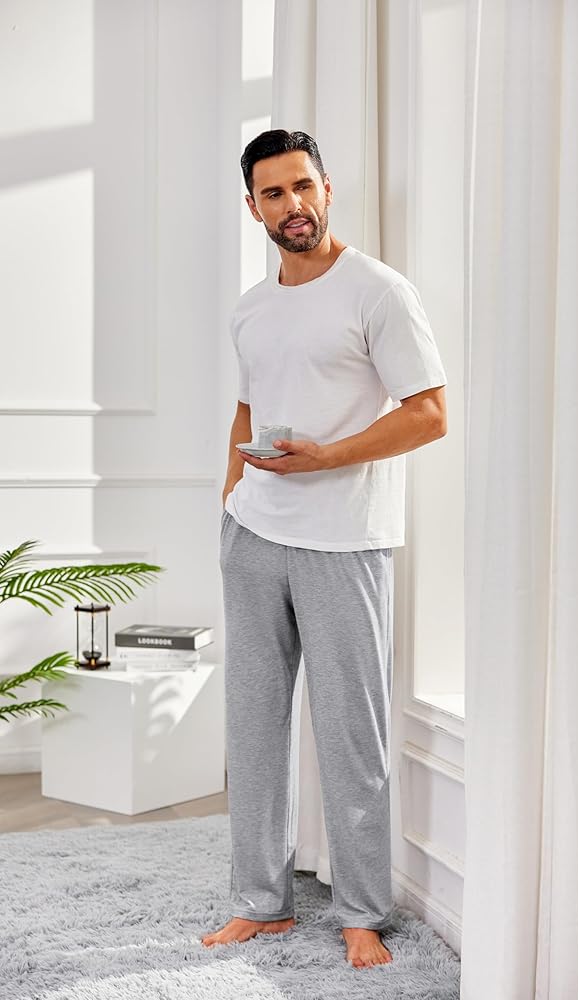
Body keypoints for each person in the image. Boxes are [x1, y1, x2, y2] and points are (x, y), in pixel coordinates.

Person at [201, 129, 448, 970]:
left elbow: (429, 413)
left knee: (351, 732)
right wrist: (229, 497)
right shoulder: (250, 307)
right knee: (254, 728)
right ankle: (260, 904)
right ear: (253, 208)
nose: (292, 205)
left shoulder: (378, 291)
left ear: (327, 188)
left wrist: (327, 457)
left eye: (302, 186)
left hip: (344, 540)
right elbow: (246, 408)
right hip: (253, 532)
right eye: (273, 193)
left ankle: (362, 913)